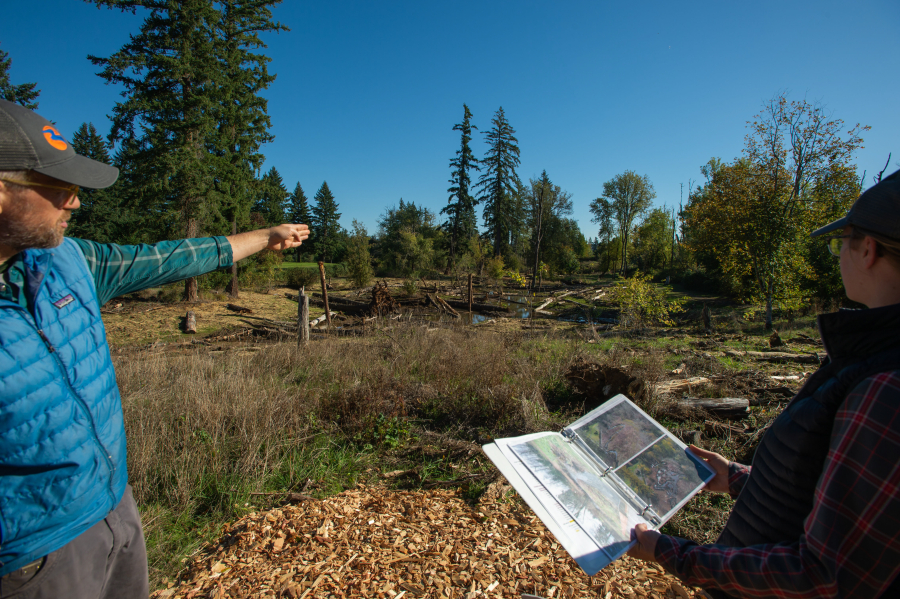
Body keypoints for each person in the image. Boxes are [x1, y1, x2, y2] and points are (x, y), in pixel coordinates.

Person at [0, 98, 309, 598]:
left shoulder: (71, 261)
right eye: (59, 188)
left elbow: (168, 258)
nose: (75, 203)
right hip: (32, 557)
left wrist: (264, 236)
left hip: (114, 506)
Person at [628, 170, 900, 598]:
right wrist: (736, 476)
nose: (837, 255)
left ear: (867, 249)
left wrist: (673, 553)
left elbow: (824, 576)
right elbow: (829, 494)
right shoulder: (874, 358)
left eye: (839, 243)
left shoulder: (886, 388)